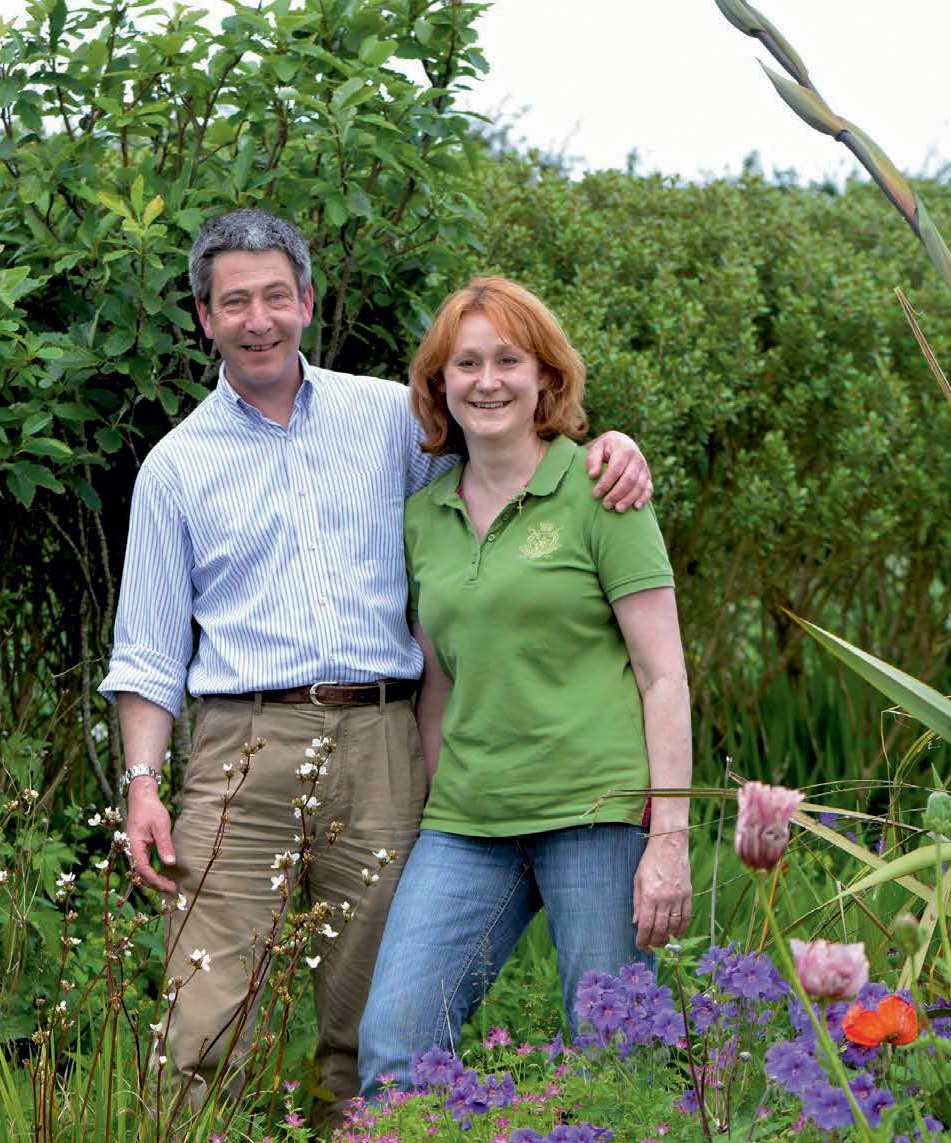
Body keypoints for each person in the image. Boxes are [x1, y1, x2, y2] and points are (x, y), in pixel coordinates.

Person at [100, 212, 654, 1130]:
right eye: (234, 301)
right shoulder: (175, 467)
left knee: (373, 1018)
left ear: (308, 302)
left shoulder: (389, 419)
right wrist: (144, 783)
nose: (259, 318)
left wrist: (611, 445)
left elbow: (510, 453)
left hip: (384, 741)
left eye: (277, 295)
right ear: (204, 318)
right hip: (241, 749)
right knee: (205, 1014)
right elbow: (148, 650)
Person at [356, 277, 693, 1097]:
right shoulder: (423, 516)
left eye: (508, 358)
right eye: (464, 363)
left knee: (617, 1063)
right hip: (468, 824)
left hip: (596, 815)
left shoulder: (603, 491)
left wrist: (670, 839)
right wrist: (442, 798)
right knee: (396, 1044)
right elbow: (438, 684)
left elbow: (663, 673)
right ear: (439, 386)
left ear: (546, 374)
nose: (487, 379)